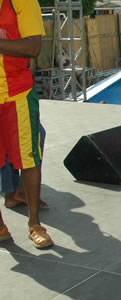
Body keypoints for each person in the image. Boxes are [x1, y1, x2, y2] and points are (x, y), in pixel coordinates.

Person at [0, 0, 53, 248]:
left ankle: (34, 223)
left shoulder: (22, 1)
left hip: (17, 94)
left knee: (29, 159)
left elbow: (33, 47)